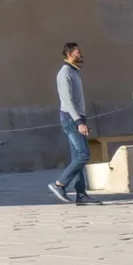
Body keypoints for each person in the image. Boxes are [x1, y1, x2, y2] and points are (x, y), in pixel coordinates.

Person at [50, 42, 95, 206]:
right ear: (69, 54)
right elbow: (67, 101)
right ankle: (59, 184)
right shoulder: (65, 73)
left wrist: (82, 119)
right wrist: (79, 122)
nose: (81, 55)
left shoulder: (74, 72)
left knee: (77, 157)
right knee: (84, 155)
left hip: (77, 118)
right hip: (71, 119)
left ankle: (81, 194)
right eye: (78, 52)